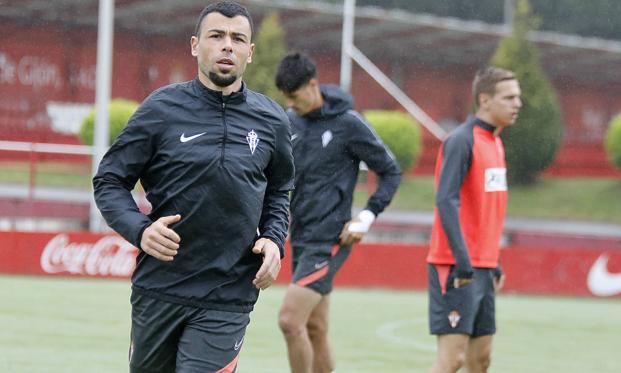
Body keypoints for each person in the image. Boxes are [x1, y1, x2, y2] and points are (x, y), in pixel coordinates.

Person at [92, 2, 294, 372]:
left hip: (228, 292)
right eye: (216, 36)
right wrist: (140, 230)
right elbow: (109, 180)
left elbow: (281, 188)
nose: (227, 46)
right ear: (195, 45)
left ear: (250, 52)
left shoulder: (272, 120)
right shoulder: (160, 109)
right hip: (159, 288)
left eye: (238, 39)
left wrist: (274, 237)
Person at [274, 52, 401, 373]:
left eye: (295, 96)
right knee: (316, 329)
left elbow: (390, 171)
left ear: (313, 85)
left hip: (330, 239)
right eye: (285, 98)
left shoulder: (349, 123)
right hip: (300, 237)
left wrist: (366, 217)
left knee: (290, 321)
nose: (290, 104)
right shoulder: (291, 122)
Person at [427, 66, 522, 373]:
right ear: (484, 99)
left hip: (483, 266)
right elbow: (446, 199)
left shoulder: (495, 143)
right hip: (457, 266)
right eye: (508, 97)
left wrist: (493, 260)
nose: (517, 103)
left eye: (518, 97)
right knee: (451, 361)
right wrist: (462, 258)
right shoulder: (460, 141)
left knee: (480, 361)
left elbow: (485, 208)